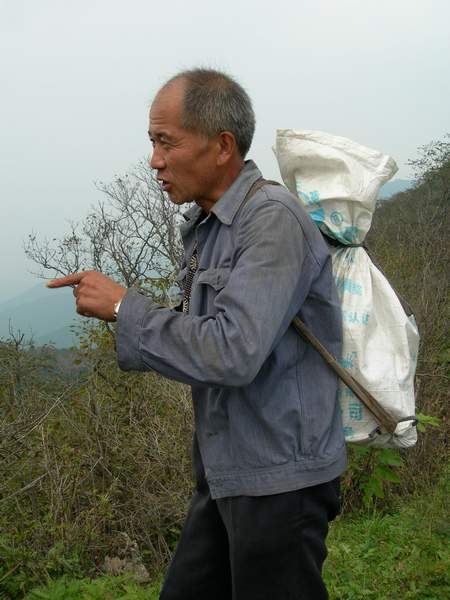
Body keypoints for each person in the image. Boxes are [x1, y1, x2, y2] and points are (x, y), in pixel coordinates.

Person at [48, 68, 347, 599]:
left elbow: (232, 351)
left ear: (222, 146)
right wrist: (125, 312)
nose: (154, 161)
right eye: (152, 142)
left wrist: (123, 306)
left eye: (166, 142)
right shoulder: (209, 227)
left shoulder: (271, 220)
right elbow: (207, 330)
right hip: (228, 469)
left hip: (280, 481)